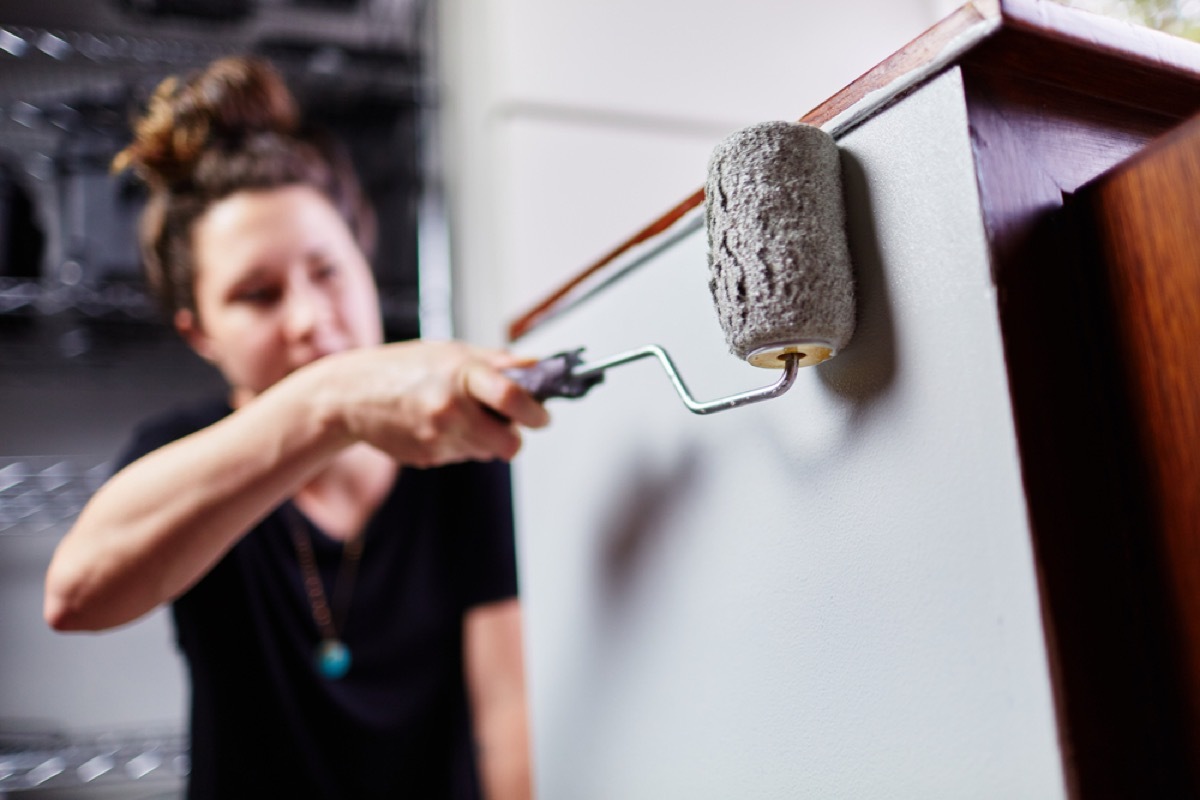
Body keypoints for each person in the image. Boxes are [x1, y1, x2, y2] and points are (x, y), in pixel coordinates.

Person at [43, 56, 547, 800]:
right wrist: (333, 399)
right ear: (200, 333)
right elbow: (75, 596)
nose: (310, 320)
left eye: (327, 271)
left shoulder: (460, 452)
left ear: (364, 259)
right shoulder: (184, 458)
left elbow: (503, 708)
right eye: (257, 294)